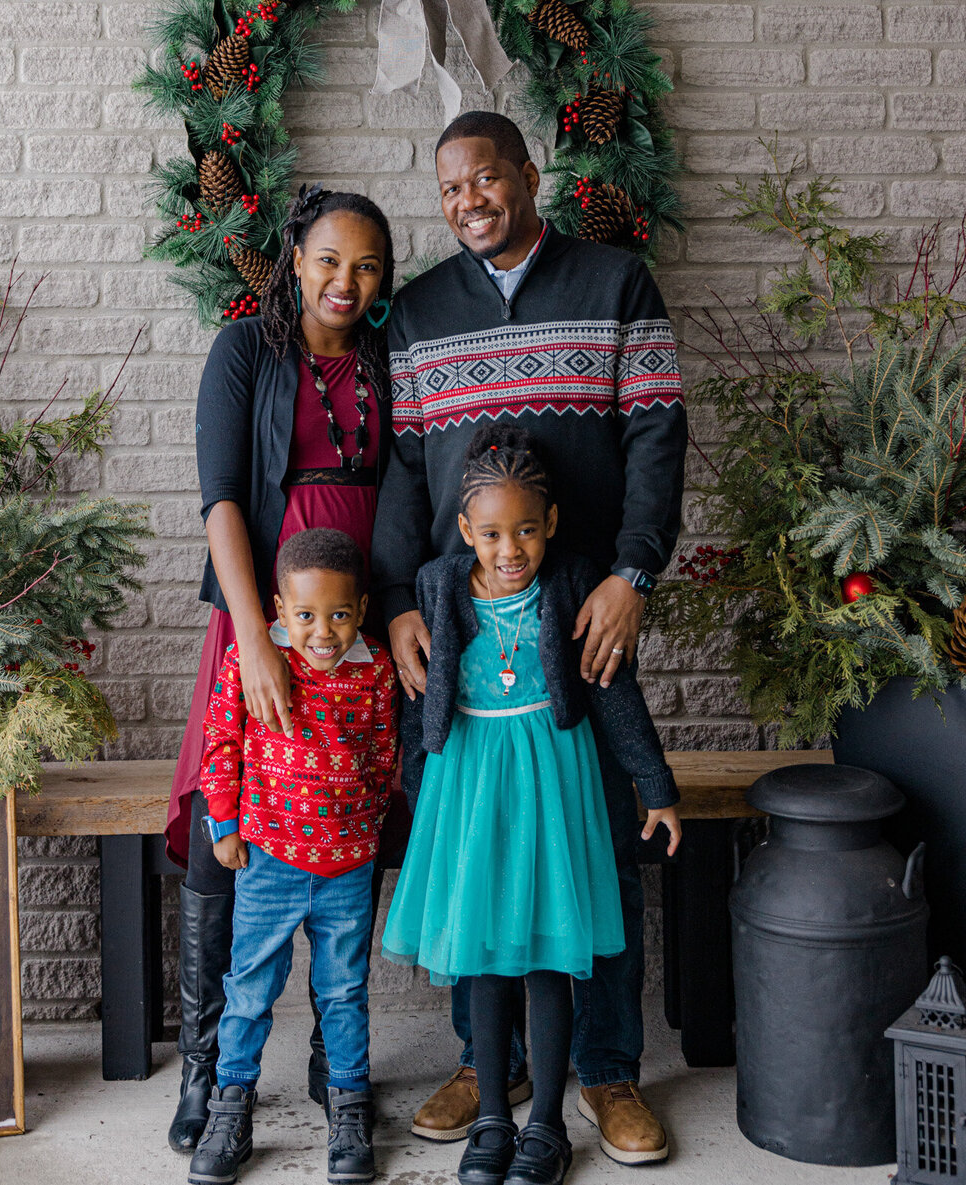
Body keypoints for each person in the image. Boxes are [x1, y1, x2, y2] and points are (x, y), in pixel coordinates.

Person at [373, 111, 687, 1165]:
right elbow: (404, 473)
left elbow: (656, 432)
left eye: (486, 179)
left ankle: (604, 1070)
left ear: (528, 175)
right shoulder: (416, 314)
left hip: (582, 615)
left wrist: (634, 572)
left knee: (591, 845)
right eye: (451, 187)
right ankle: (485, 1059)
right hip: (467, 634)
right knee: (479, 852)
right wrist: (401, 604)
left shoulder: (613, 284)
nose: (469, 201)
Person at [382, 425, 681, 1185]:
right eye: (490, 532)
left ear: (549, 523)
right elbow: (419, 701)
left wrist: (655, 785)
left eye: (524, 529)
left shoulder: (572, 583)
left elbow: (614, 692)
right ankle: (492, 1117)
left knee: (550, 952)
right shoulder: (439, 586)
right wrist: (421, 788)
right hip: (472, 783)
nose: (508, 548)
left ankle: (546, 1121)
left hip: (554, 780)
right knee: (483, 953)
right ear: (464, 530)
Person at [165, 185, 397, 1154]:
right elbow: (222, 498)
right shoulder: (245, 354)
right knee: (233, 818)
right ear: (294, 257)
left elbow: (412, 484)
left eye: (368, 266)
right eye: (329, 260)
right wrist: (254, 632)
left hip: (360, 632)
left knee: (344, 810)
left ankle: (332, 1062)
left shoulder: (388, 360)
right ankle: (206, 1067)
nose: (346, 281)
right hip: (264, 621)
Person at [189, 527, 399, 1185]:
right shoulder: (254, 665)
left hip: (346, 866)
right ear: (279, 609)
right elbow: (222, 741)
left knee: (343, 990)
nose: (323, 631)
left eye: (339, 614)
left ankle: (347, 1107)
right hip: (270, 861)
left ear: (361, 609)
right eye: (306, 615)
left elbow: (385, 755)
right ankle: (231, 1106)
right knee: (249, 988)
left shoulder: (376, 671)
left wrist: (370, 828)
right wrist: (224, 823)